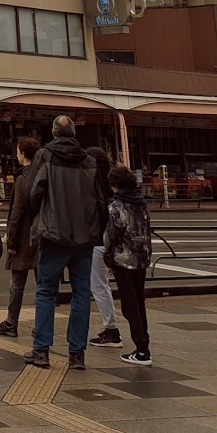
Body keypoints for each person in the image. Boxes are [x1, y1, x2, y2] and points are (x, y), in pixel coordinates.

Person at [24, 115, 107, 370]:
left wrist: (37, 221)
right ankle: (76, 353)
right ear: (73, 133)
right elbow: (102, 201)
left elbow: (33, 192)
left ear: (53, 132)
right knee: (82, 293)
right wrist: (96, 231)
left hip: (53, 232)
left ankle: (41, 350)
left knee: (46, 292)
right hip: (84, 236)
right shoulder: (90, 161)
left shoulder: (45, 156)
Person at [104, 164, 153, 365]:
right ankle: (144, 346)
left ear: (114, 185)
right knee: (139, 302)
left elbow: (111, 235)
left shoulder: (117, 206)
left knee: (129, 305)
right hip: (142, 257)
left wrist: (109, 260)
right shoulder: (141, 204)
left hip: (124, 259)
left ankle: (141, 350)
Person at [0, 136, 40, 337]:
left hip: (23, 237)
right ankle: (41, 325)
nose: (16, 153)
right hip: (41, 235)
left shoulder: (23, 179)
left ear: (23, 153)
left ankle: (12, 322)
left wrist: (11, 239)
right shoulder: (43, 175)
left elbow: (17, 211)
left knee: (17, 283)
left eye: (18, 150)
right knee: (43, 285)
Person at [86, 146, 122, 349]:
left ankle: (111, 329)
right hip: (110, 244)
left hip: (97, 242)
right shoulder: (110, 187)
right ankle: (112, 328)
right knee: (102, 287)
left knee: (98, 287)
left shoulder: (92, 188)